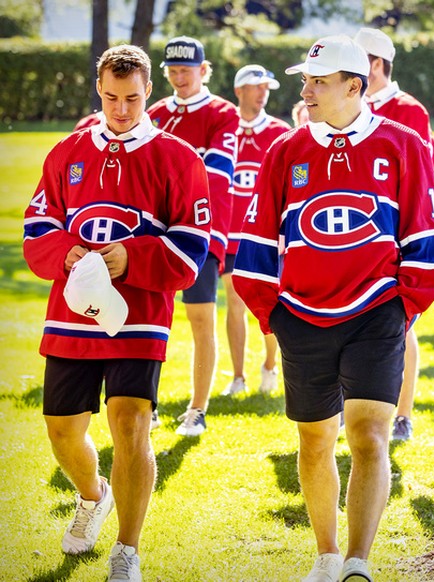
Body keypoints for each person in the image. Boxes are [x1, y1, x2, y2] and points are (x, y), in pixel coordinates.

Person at [232, 35, 434, 581]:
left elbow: (427, 234)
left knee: (370, 434)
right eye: (305, 82)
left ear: (355, 86)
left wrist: (404, 306)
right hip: (300, 315)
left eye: (317, 82)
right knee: (314, 439)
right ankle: (326, 555)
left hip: (377, 310)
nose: (305, 92)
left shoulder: (404, 143)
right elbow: (256, 241)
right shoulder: (284, 150)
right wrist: (272, 313)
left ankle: (357, 562)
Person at [22, 44, 210, 581]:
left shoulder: (178, 158)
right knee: (62, 430)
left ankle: (127, 550)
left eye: (131, 98)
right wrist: (65, 252)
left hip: (141, 316)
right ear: (98, 89)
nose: (121, 109)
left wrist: (136, 257)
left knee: (130, 425)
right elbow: (37, 229)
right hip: (71, 316)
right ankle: (92, 496)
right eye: (110, 97)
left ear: (148, 90)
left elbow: (193, 247)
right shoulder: (66, 152)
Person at [147, 36, 239, 436]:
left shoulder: (223, 113)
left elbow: (217, 176)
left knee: (201, 319)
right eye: (173, 71)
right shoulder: (153, 112)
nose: (179, 78)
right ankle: (145, 403)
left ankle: (197, 409)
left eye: (187, 70)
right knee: (150, 320)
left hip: (202, 232)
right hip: (153, 233)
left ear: (204, 71)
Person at [353, 26, 434, 441]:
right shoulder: (336, 107)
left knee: (402, 325)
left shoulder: (410, 110)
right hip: (351, 236)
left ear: (371, 66)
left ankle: (402, 413)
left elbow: (424, 181)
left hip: (394, 235)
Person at [221, 64, 291, 397]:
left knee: (269, 302)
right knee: (234, 302)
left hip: (265, 235)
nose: (262, 93)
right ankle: (237, 375)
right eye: (255, 87)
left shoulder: (279, 131)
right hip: (229, 234)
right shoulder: (223, 129)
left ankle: (269, 364)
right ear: (239, 91)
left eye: (267, 87)